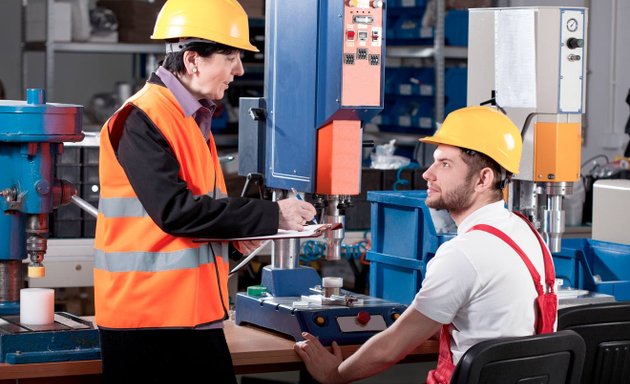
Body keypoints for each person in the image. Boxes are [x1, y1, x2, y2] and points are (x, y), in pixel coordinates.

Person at [93, 1, 316, 383]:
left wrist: (235, 238)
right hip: (148, 325)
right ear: (193, 60)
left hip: (191, 318)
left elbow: (192, 217)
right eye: (231, 57)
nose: (240, 70)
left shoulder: (192, 118)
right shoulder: (141, 118)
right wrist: (272, 215)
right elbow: (176, 212)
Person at [294, 106, 557, 384]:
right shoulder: (528, 233)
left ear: (483, 179)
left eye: (445, 164)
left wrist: (334, 375)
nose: (427, 174)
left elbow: (389, 349)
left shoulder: (465, 253)